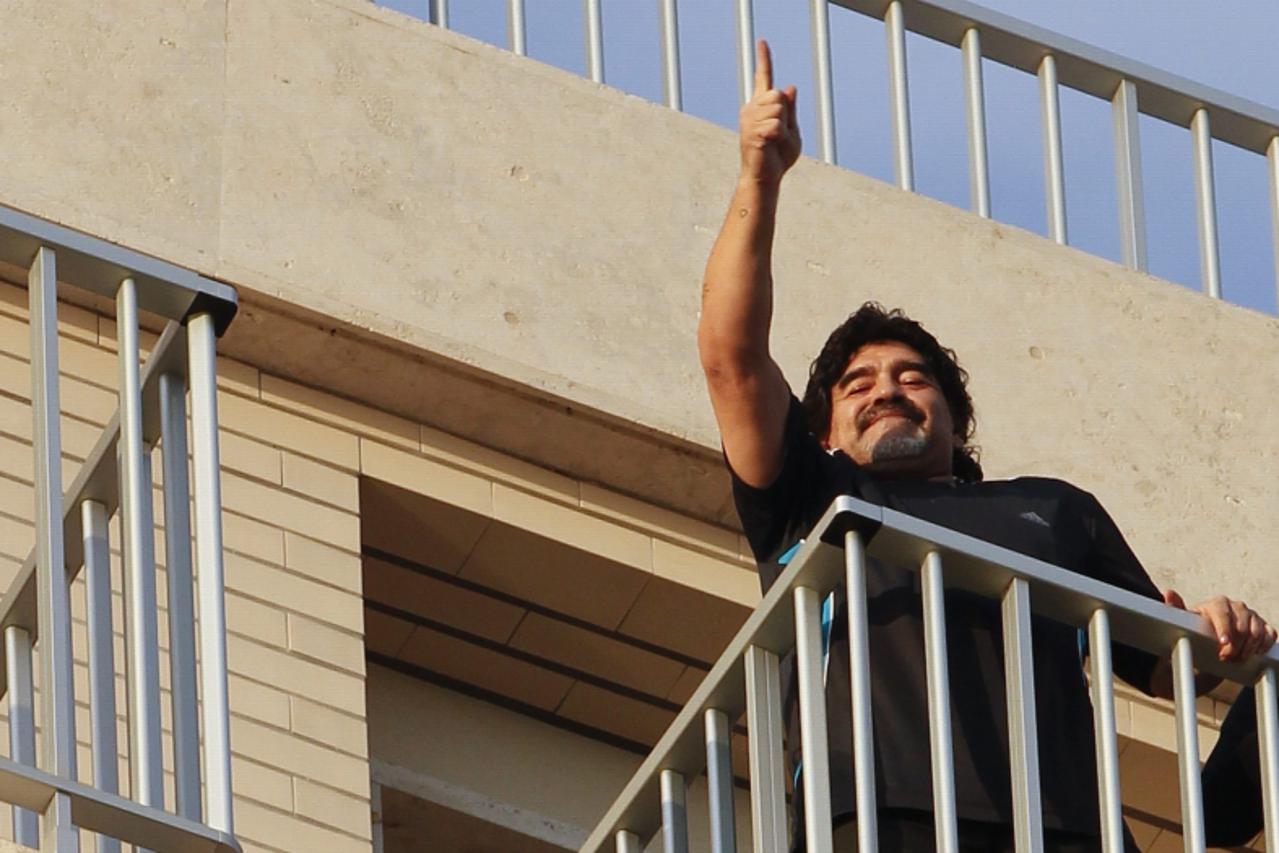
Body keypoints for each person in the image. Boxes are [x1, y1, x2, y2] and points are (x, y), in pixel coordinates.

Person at [697, 39, 1277, 851]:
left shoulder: (1051, 508)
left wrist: (1222, 626)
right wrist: (759, 178)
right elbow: (730, 358)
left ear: (955, 419)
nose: (888, 389)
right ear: (822, 429)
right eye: (857, 386)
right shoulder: (809, 498)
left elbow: (1162, 660)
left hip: (1063, 829)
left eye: (911, 377)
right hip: (872, 818)